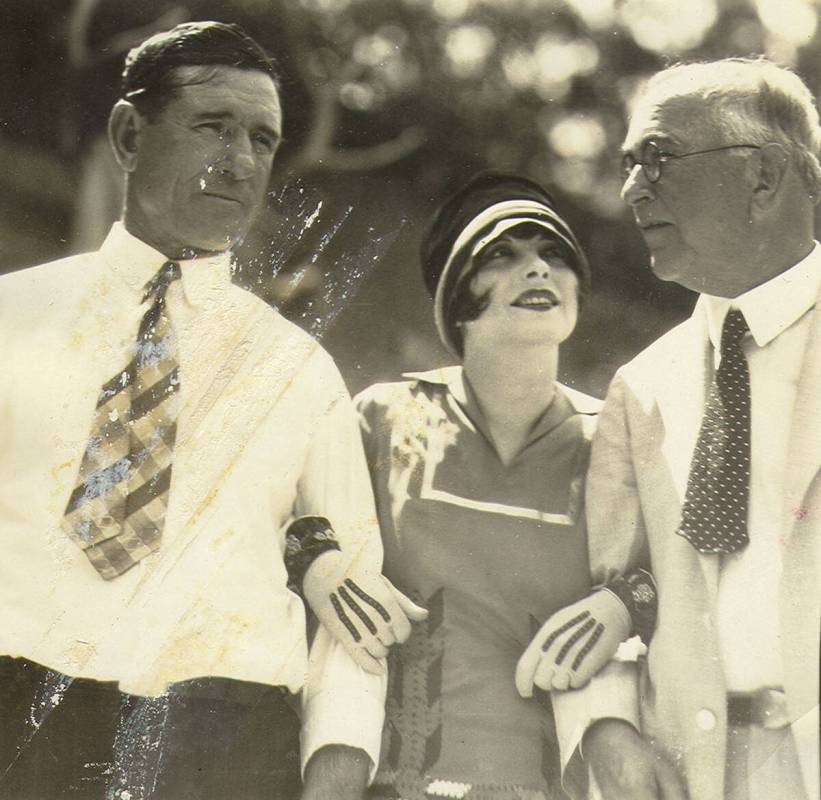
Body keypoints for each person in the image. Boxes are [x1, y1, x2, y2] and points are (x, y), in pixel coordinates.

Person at [0, 21, 421, 800]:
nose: (239, 161)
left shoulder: (299, 370)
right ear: (130, 133)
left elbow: (354, 610)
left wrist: (336, 767)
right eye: (212, 127)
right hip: (24, 723)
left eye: (262, 140)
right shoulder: (12, 320)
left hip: (222, 741)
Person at [543, 58, 821, 800]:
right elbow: (598, 597)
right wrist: (605, 731)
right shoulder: (643, 388)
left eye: (657, 158)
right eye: (627, 163)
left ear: (761, 177)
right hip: (689, 775)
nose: (632, 189)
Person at [353, 172, 607, 799]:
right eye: (503, 255)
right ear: (458, 298)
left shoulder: (617, 438)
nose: (539, 269)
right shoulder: (382, 418)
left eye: (555, 254)